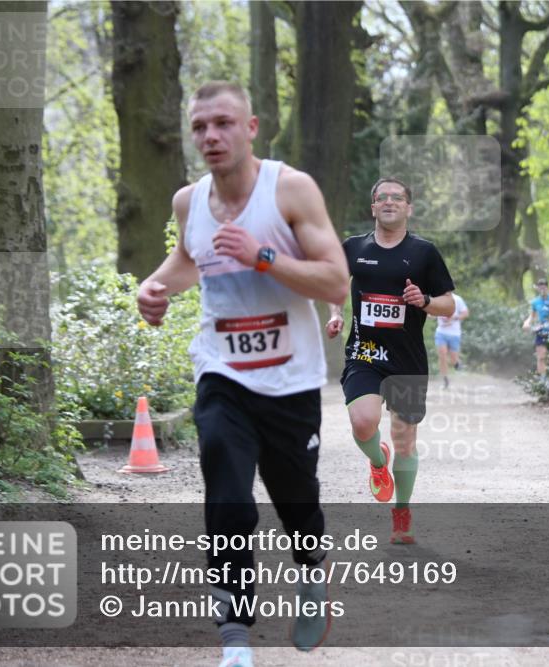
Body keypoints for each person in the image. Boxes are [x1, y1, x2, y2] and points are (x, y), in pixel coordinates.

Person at [136, 81, 349, 667]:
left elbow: (335, 282)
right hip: (222, 372)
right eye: (201, 126)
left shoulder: (291, 190)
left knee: (295, 500)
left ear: (251, 127)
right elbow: (189, 257)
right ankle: (234, 636)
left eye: (224, 123)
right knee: (227, 495)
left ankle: (312, 573)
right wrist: (152, 289)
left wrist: (264, 257)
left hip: (291, 380)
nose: (211, 136)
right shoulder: (189, 201)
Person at [325, 177, 455, 545]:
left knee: (405, 440)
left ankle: (402, 512)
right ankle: (377, 463)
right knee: (363, 423)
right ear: (373, 207)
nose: (389, 202)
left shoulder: (424, 252)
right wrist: (336, 313)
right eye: (382, 197)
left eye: (397, 197)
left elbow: (449, 304)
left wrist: (424, 301)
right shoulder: (353, 247)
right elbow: (336, 284)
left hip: (406, 359)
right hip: (365, 354)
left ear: (408, 207)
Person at [523, 278, 549, 381]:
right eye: (540, 287)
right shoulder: (535, 302)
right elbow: (532, 316)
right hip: (540, 332)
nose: (542, 289)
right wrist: (527, 323)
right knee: (541, 357)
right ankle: (543, 381)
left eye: (544, 287)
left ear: (547, 287)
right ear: (538, 288)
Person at [435, 293, 469, 388]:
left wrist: (455, 318)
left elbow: (465, 313)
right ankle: (445, 381)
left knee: (453, 359)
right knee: (442, 355)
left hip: (454, 334)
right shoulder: (437, 298)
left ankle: (458, 365)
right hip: (441, 332)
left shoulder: (457, 299)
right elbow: (432, 312)